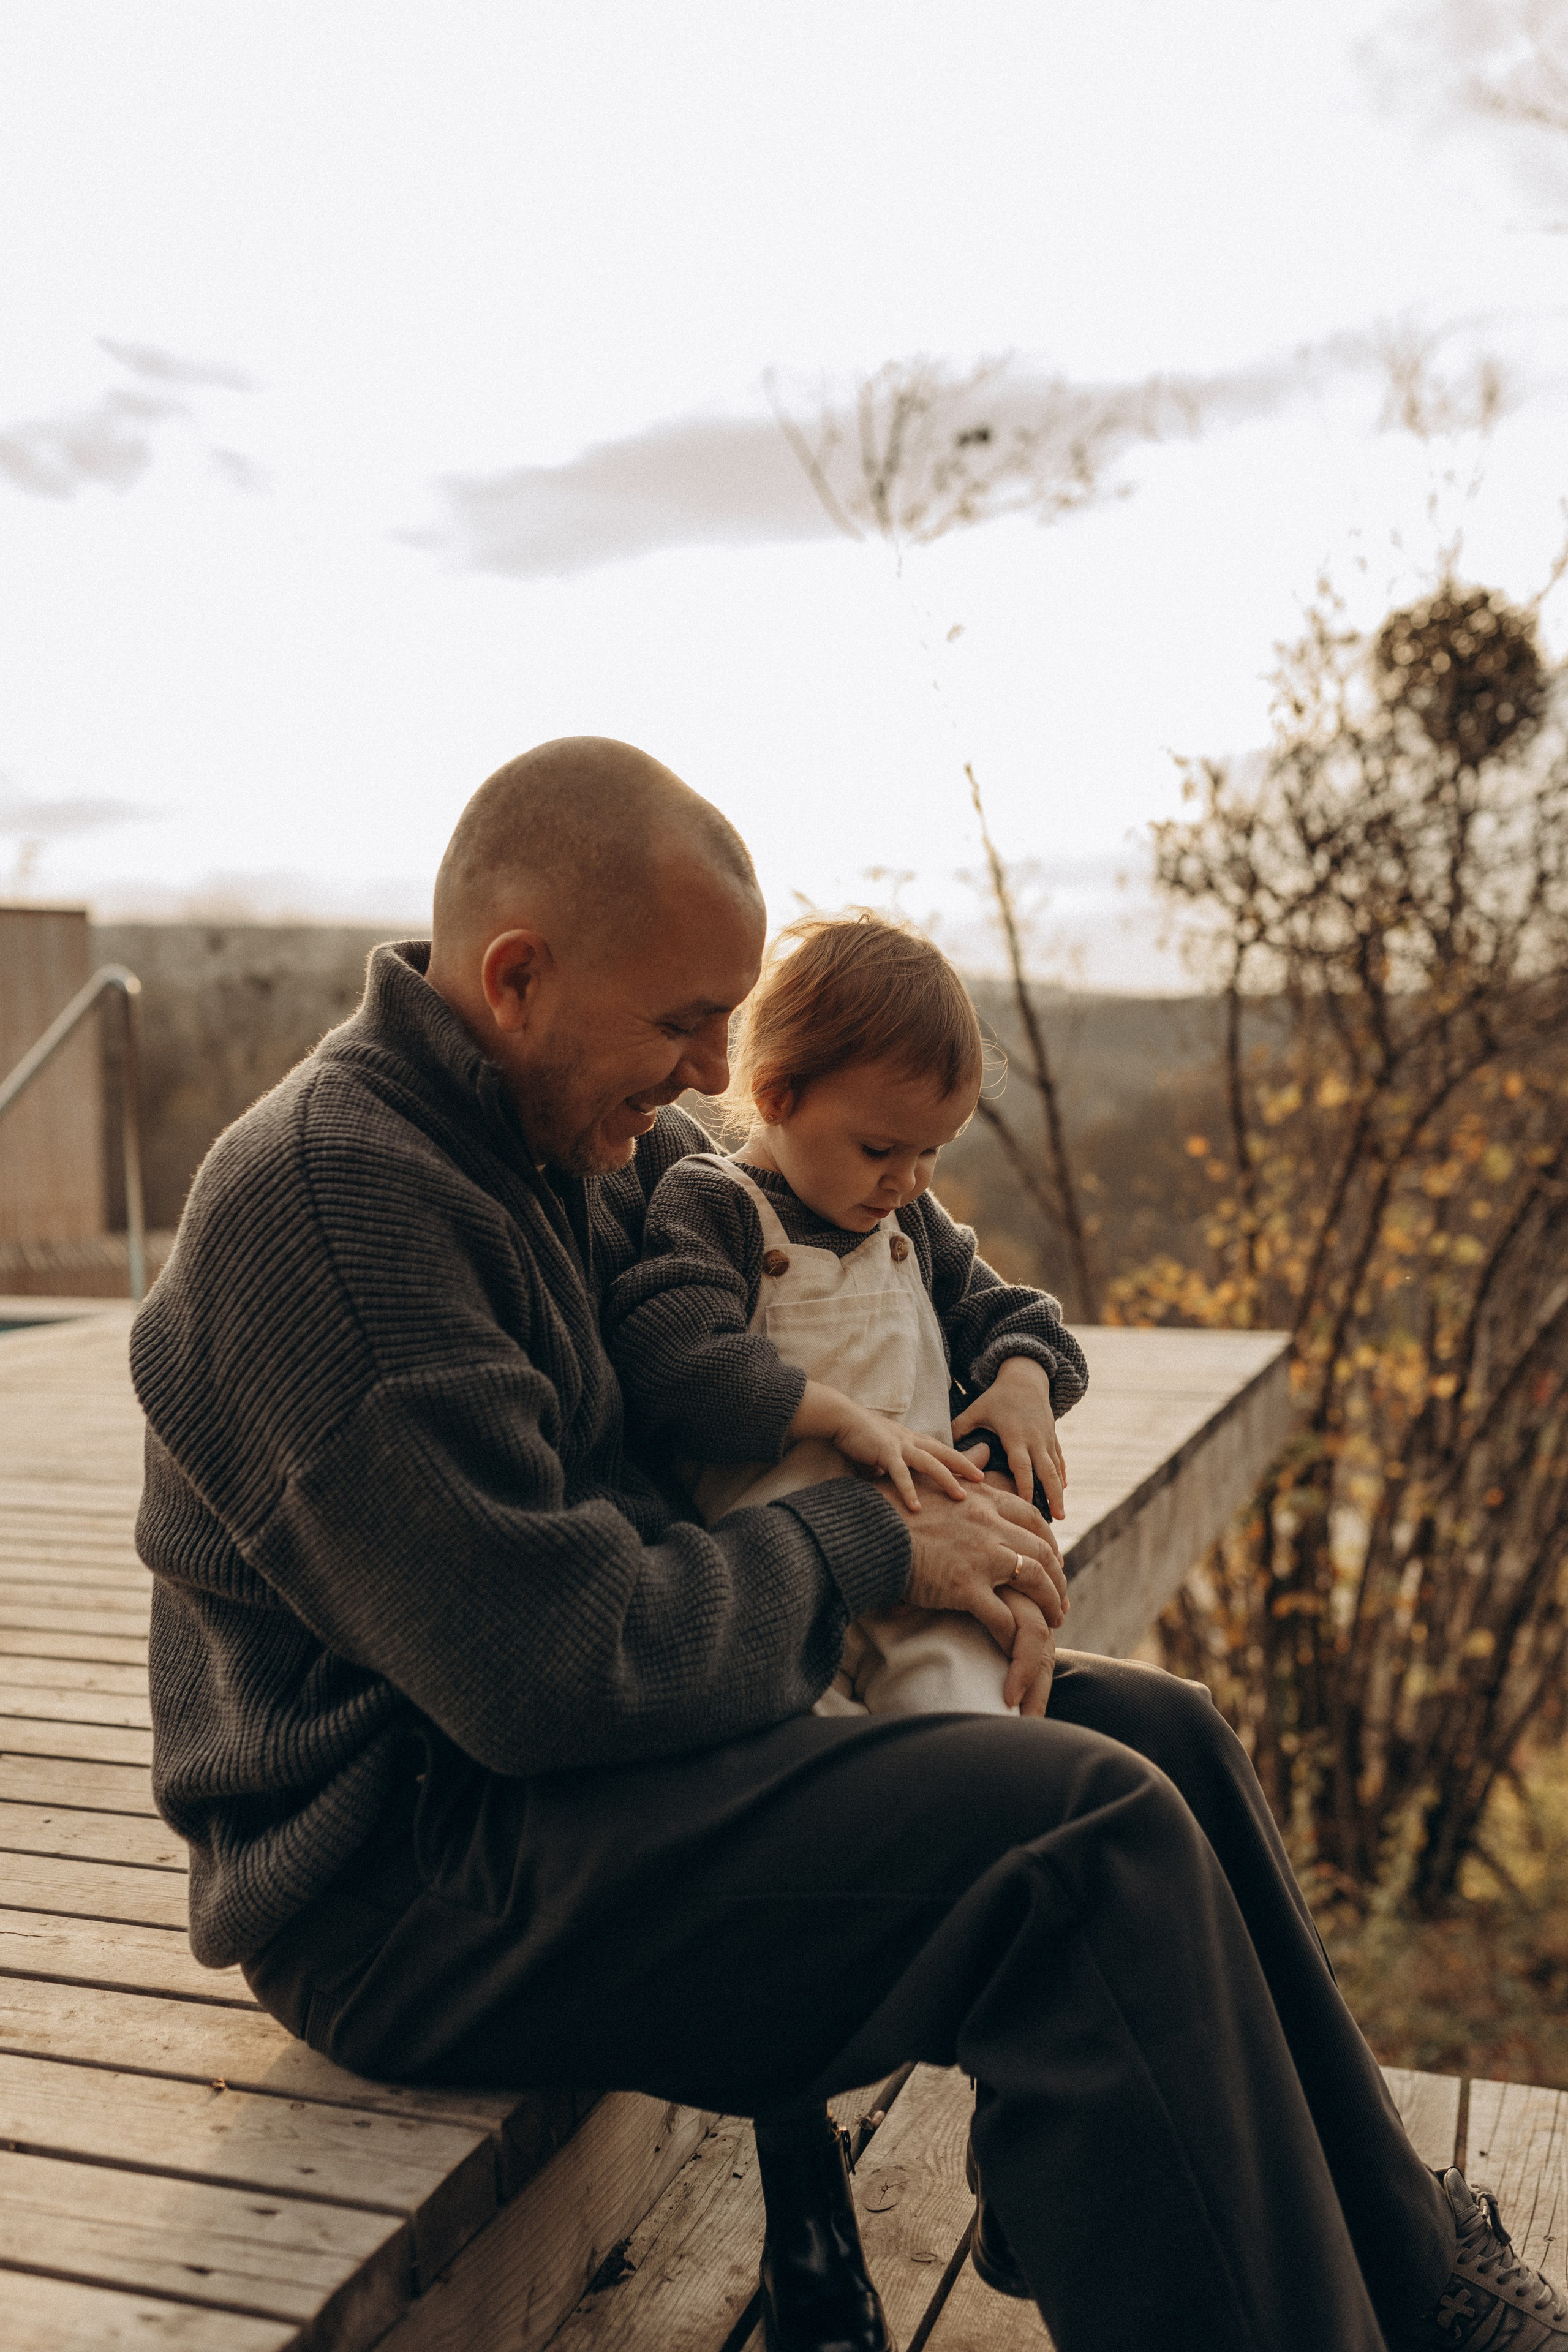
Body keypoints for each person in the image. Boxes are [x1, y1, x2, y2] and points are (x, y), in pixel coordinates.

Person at [131, 737, 1568, 2352]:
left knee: (1160, 1733)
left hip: (583, 1773)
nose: (709, 1075)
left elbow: (882, 1285)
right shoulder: (339, 1208)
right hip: (410, 1875)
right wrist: (873, 1552)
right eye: (684, 1024)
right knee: (1071, 1842)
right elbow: (545, 1667)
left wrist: (977, 1510)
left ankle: (1414, 2278)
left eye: (727, 1026)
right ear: (518, 979)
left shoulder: (601, 1149)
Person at [606, 905, 1089, 1722]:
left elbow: (1015, 1312)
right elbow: (672, 1359)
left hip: (936, 1591)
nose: (908, 1181)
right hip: (786, 1599)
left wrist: (1021, 1376)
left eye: (932, 1151)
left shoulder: (908, 1225)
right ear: (778, 1095)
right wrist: (836, 1419)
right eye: (879, 1150)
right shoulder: (712, 1203)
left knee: (978, 1746)